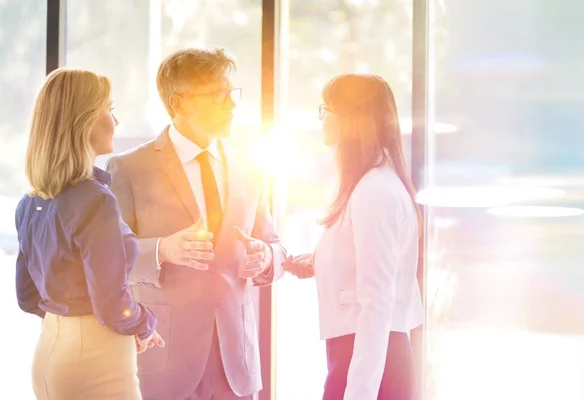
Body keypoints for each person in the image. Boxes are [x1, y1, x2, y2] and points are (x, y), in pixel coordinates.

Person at [105, 47, 286, 400]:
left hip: (236, 363)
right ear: (179, 103)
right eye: (219, 95)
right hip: (166, 361)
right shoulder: (128, 168)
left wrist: (266, 257)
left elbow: (276, 246)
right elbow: (110, 259)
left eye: (232, 94)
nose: (232, 105)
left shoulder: (252, 169)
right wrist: (161, 249)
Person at [15, 67, 164, 400]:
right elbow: (112, 305)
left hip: (50, 352)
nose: (116, 120)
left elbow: (27, 297)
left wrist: (71, 322)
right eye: (109, 109)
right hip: (97, 360)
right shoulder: (95, 200)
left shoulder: (30, 203)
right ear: (83, 121)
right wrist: (144, 323)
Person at [284, 74, 424, 400]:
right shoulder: (367, 184)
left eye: (326, 109)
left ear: (350, 119)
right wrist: (320, 262)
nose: (322, 118)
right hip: (361, 354)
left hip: (370, 361)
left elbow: (377, 303)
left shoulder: (375, 192)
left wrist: (358, 392)